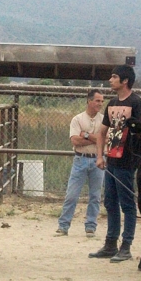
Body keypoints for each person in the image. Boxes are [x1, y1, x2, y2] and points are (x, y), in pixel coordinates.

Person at [89, 65, 141, 262]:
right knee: (111, 202)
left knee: (127, 204)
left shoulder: (136, 103)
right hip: (112, 159)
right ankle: (111, 242)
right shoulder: (112, 103)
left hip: (128, 160)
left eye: (114, 77)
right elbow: (102, 131)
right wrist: (100, 155)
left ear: (125, 81)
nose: (110, 80)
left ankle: (126, 245)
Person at [55, 89, 105, 238]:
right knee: (72, 194)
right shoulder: (77, 119)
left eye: (102, 101)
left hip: (98, 158)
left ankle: (91, 226)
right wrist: (96, 138)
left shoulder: (104, 120)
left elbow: (105, 140)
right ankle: (63, 225)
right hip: (80, 158)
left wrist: (86, 135)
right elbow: (75, 140)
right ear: (89, 101)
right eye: (97, 101)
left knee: (95, 196)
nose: (100, 104)